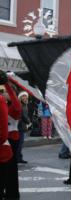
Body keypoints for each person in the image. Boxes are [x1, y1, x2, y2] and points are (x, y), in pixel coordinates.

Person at [0, 70, 20, 199]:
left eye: (4, 92)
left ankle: (12, 194)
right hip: (6, 140)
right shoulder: (5, 104)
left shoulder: (12, 106)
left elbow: (17, 108)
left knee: (11, 170)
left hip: (10, 140)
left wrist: (7, 84)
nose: (3, 93)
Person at [17, 91, 31, 164]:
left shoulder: (25, 104)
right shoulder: (21, 105)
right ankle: (18, 158)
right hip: (20, 126)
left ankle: (19, 158)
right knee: (19, 143)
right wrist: (29, 122)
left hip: (23, 126)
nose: (24, 97)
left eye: (25, 96)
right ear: (20, 97)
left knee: (20, 143)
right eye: (23, 96)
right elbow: (23, 116)